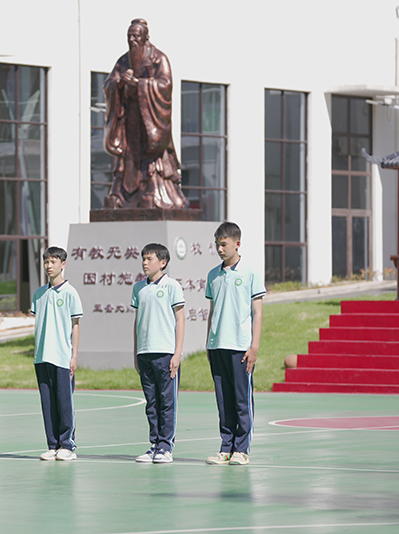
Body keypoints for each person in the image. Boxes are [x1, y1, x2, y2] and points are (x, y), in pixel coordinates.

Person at [102, 18, 188, 210]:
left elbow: (165, 85)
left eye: (136, 36)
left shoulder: (158, 58)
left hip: (150, 120)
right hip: (130, 120)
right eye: (129, 36)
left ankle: (153, 191)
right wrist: (120, 83)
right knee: (127, 160)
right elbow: (108, 85)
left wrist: (139, 84)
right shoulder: (123, 61)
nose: (132, 40)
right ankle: (121, 195)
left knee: (152, 157)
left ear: (145, 37)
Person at [204, 222, 265, 466]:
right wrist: (208, 343)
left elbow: (257, 313)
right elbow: (212, 312)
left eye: (224, 244)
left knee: (242, 400)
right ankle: (226, 448)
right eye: (217, 245)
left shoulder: (250, 273)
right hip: (217, 346)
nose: (220, 249)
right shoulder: (213, 275)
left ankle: (242, 449)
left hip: (241, 347)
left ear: (237, 244)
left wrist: (254, 347)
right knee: (223, 400)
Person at [131, 243, 185, 464]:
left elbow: (180, 320)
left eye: (149, 259)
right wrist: (136, 352)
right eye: (143, 259)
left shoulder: (172, 286)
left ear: (163, 262)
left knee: (167, 401)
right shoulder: (138, 288)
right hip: (145, 353)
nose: (145, 263)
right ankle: (154, 444)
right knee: (151, 402)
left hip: (166, 353)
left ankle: (166, 446)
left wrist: (177, 353)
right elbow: (137, 322)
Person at [31, 247, 83, 461]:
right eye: (46, 262)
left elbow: (75, 326)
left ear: (63, 264)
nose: (49, 266)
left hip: (62, 357)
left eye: (53, 262)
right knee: (47, 403)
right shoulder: (39, 294)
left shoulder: (70, 293)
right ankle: (52, 445)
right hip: (42, 357)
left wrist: (74, 356)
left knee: (64, 402)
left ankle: (67, 445)